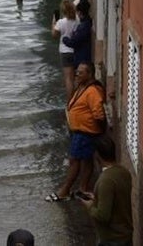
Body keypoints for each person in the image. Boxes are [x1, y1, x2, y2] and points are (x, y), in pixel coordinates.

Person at [45, 61, 106, 202]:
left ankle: (64, 191)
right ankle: (82, 189)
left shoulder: (92, 91)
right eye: (77, 71)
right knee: (86, 160)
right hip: (80, 131)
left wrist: (94, 130)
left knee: (74, 161)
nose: (77, 74)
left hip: (85, 132)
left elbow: (99, 114)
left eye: (81, 72)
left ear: (90, 74)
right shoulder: (82, 86)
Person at [79, 135, 133, 246]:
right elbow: (117, 198)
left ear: (97, 156)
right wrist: (97, 198)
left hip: (112, 239)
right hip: (125, 236)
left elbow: (103, 216)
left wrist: (89, 205)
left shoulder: (105, 181)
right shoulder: (124, 172)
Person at [52, 0, 78, 100]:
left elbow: (54, 35)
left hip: (65, 52)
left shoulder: (60, 22)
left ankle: (70, 102)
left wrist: (53, 23)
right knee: (76, 78)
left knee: (68, 79)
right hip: (75, 50)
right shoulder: (77, 21)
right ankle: (77, 100)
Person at [63, 1, 93, 66]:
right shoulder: (86, 23)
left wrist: (65, 39)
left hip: (82, 58)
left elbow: (73, 42)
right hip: (83, 55)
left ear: (79, 12)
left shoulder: (84, 26)